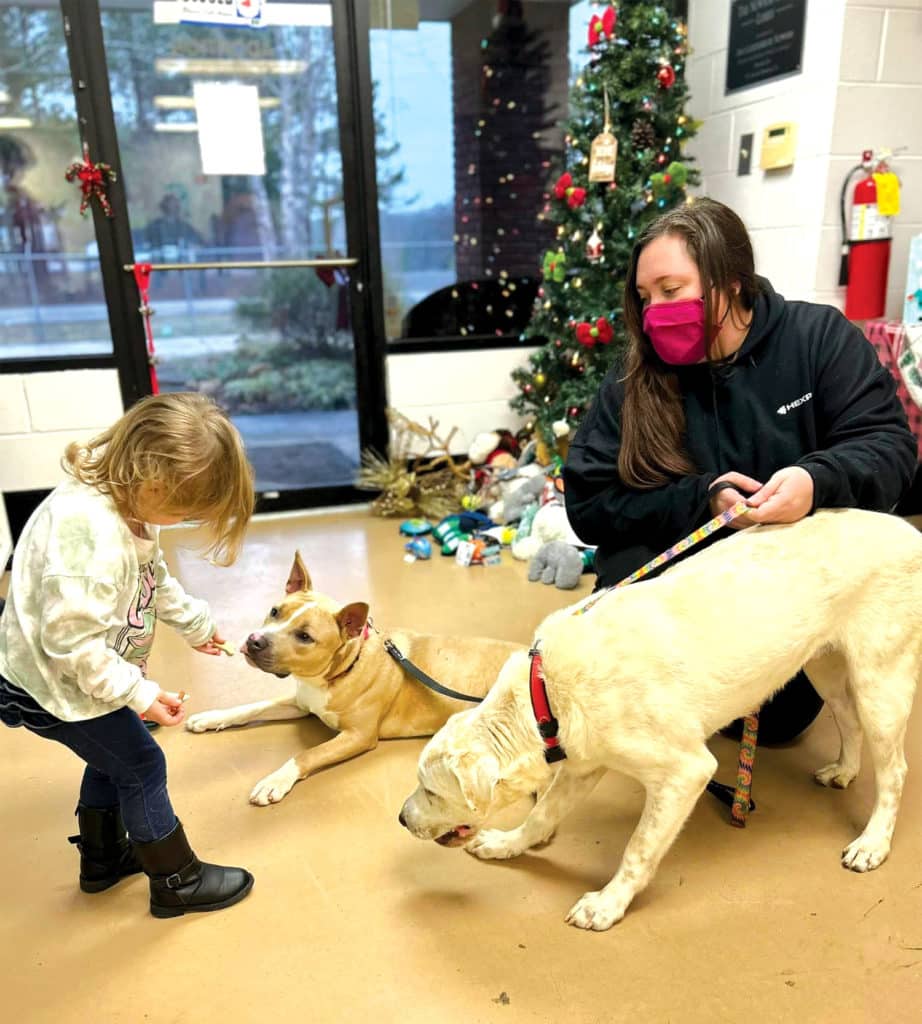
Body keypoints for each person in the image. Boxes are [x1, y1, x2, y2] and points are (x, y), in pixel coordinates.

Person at [563, 198, 917, 744]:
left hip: (790, 583)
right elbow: (589, 506)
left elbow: (889, 448)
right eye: (643, 296)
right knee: (628, 655)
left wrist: (814, 482)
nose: (654, 309)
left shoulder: (817, 339)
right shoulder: (636, 375)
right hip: (687, 573)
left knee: (776, 724)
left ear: (729, 281)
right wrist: (702, 499)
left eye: (671, 289)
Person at [0, 392, 256, 918]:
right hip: (51, 684)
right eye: (183, 510)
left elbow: (151, 576)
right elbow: (70, 644)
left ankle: (103, 859)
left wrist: (195, 624)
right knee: (141, 763)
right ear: (153, 482)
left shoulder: (129, 499)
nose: (182, 520)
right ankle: (176, 881)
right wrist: (139, 694)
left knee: (112, 754)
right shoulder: (89, 539)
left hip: (77, 676)